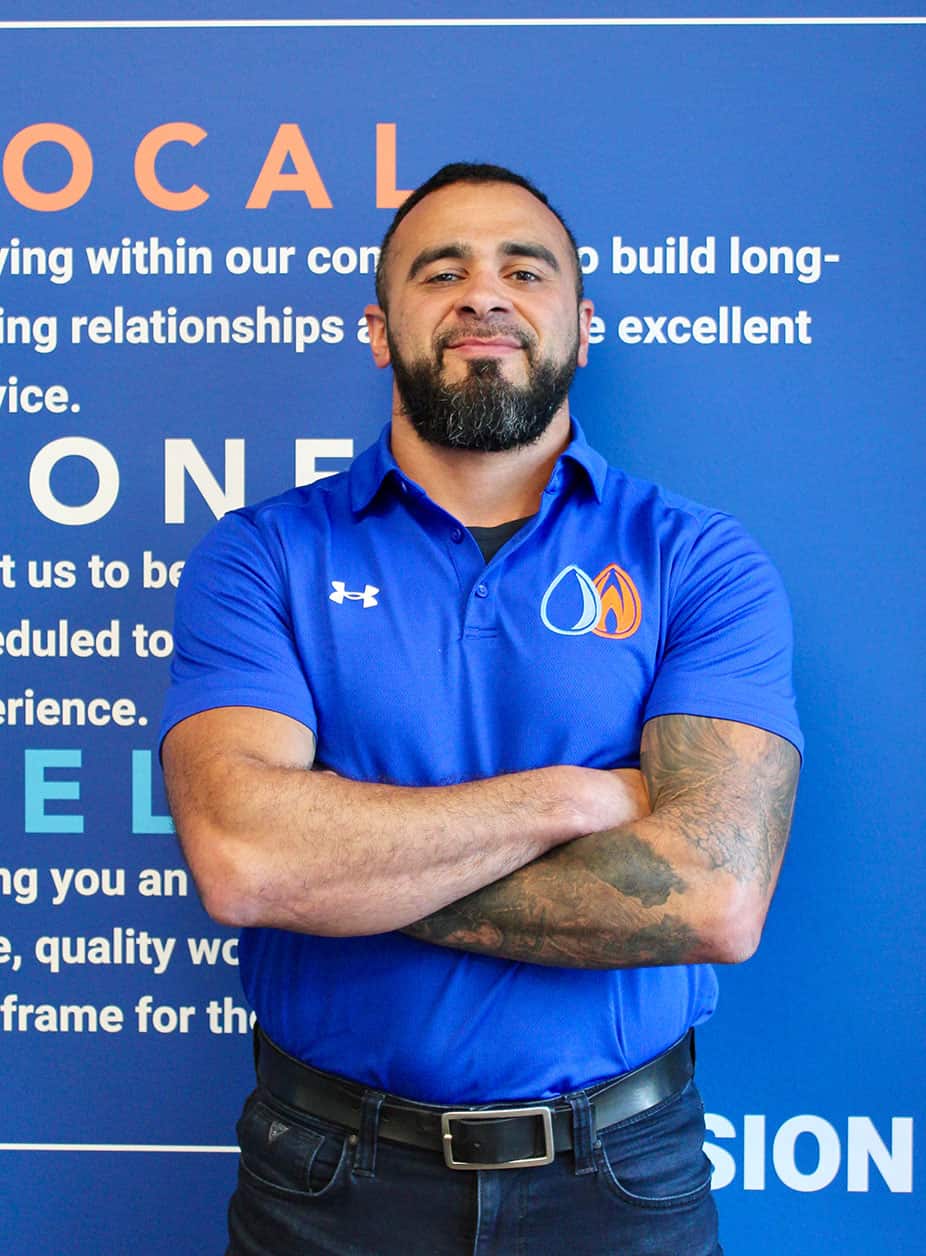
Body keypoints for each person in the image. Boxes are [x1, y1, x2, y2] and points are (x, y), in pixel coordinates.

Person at [160, 162, 802, 1255]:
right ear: (380, 330)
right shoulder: (262, 555)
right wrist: (570, 798)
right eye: (441, 271)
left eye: (524, 269)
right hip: (325, 1180)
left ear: (582, 328)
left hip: (620, 1176)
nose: (484, 294)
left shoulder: (696, 560)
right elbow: (245, 860)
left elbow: (712, 895)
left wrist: (343, 870)